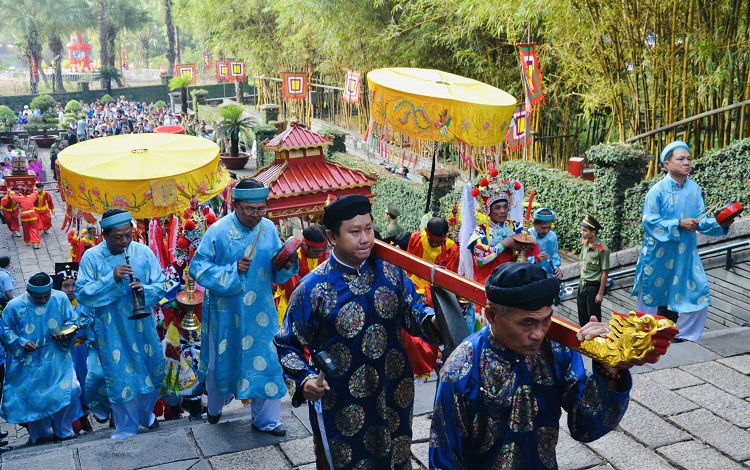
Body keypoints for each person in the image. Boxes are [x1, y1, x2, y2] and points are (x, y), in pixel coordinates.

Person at [274, 194, 441, 469]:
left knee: (395, 456)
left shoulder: (391, 271)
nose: (365, 238)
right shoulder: (312, 288)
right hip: (340, 397)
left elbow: (414, 311)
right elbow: (287, 342)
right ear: (332, 237)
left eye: (368, 229)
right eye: (354, 232)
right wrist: (304, 380)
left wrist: (434, 321)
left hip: (392, 386)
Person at [430, 263, 631, 469]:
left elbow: (586, 427)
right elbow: (445, 459)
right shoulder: (460, 369)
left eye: (546, 320)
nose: (539, 333)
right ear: (492, 316)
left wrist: (610, 371)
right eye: (527, 323)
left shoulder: (556, 349)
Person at [189, 178, 298, 433]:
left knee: (268, 362)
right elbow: (198, 268)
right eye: (250, 209)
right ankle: (215, 406)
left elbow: (276, 270)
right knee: (220, 365)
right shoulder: (217, 232)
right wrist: (231, 269)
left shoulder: (269, 228)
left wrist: (287, 263)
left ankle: (266, 420)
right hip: (226, 312)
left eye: (261, 209)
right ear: (235, 205)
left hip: (260, 310)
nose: (256, 215)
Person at [75, 209, 166, 439]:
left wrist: (145, 290)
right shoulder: (92, 258)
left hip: (142, 325)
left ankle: (146, 414)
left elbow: (161, 284)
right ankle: (126, 426)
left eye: (128, 235)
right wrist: (111, 278)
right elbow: (83, 293)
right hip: (111, 327)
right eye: (118, 237)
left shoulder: (143, 252)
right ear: (104, 235)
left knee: (152, 369)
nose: (124, 241)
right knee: (121, 376)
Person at [631, 141, 733, 341]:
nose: (686, 162)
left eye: (688, 158)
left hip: (685, 252)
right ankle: (649, 334)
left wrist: (722, 223)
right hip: (659, 253)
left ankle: (681, 334)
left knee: (695, 292)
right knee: (655, 293)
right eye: (681, 159)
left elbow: (701, 220)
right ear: (667, 164)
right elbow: (649, 222)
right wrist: (678, 223)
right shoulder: (657, 191)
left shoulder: (694, 189)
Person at [0, 272, 82, 444]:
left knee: (73, 389)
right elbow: (5, 331)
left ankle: (63, 429)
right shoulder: (14, 306)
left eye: (46, 296)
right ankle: (41, 434)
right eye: (38, 297)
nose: (43, 300)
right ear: (29, 292)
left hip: (58, 357)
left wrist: (65, 333)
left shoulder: (60, 299)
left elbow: (73, 321)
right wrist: (21, 343)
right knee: (34, 396)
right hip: (29, 363)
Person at [404, 217, 460, 376]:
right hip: (413, 284)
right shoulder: (416, 238)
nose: (434, 244)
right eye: (431, 241)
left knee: (430, 326)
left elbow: (449, 277)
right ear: (426, 233)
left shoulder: (452, 249)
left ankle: (425, 367)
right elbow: (408, 264)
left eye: (438, 242)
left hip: (433, 289)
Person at [465, 178, 540, 284]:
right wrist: (503, 244)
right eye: (497, 208)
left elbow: (532, 248)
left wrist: (528, 252)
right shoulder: (480, 231)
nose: (503, 211)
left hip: (515, 279)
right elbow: (480, 260)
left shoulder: (516, 227)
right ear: (488, 211)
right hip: (491, 282)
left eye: (505, 207)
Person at [54, 262, 93, 433]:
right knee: (72, 384)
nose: (70, 289)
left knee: (87, 383)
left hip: (85, 350)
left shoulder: (86, 302)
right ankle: (79, 420)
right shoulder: (55, 306)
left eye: (74, 285)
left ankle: (93, 413)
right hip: (66, 352)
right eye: (65, 285)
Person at [275, 224, 329, 326]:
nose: (320, 254)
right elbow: (293, 291)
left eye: (323, 250)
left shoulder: (323, 254)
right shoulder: (293, 260)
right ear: (304, 246)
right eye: (316, 251)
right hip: (294, 302)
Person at [577, 214, 609, 325]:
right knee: (582, 319)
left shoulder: (602, 249)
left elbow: (605, 272)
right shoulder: (585, 244)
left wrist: (600, 293)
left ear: (593, 233)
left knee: (593, 320)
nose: (582, 232)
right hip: (582, 285)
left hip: (593, 288)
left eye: (584, 230)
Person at [529, 207, 562, 278]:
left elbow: (554, 255)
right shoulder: (528, 236)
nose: (546, 231)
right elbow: (520, 259)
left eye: (549, 227)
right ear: (534, 224)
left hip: (548, 274)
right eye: (543, 228)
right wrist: (535, 259)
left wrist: (557, 268)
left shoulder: (552, 236)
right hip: (531, 275)